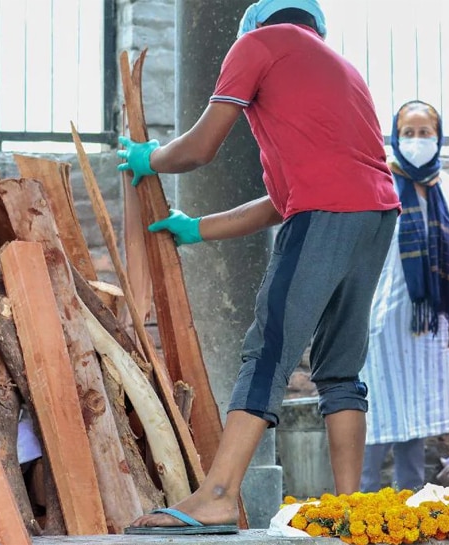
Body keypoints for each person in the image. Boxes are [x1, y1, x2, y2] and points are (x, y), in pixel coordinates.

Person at [116, 0, 400, 534]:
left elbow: (201, 148)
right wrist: (197, 227)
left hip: (324, 215)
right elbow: (279, 202)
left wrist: (148, 158)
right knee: (339, 367)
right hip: (376, 216)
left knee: (268, 350)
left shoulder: (257, 45)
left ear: (253, 22)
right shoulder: (342, 71)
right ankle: (351, 508)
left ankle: (219, 495)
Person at [358, 100, 449, 493]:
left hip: (429, 322)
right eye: (409, 133)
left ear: (439, 137)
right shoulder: (380, 179)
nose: (417, 140)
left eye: (425, 133)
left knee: (414, 415)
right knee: (378, 413)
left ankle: (412, 503)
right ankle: (359, 502)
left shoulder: (446, 186)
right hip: (383, 314)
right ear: (395, 137)